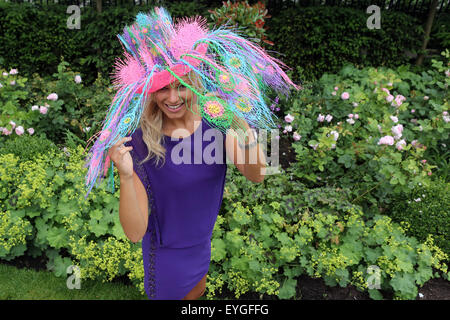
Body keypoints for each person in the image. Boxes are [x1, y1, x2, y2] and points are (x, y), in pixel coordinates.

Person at [83, 7, 298, 300]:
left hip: (201, 246)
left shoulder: (216, 123)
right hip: (167, 257)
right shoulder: (140, 143)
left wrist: (241, 126)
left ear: (193, 81)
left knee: (197, 293)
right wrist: (125, 174)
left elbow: (257, 174)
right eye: (162, 89)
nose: (172, 98)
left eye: (180, 85)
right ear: (151, 93)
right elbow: (134, 232)